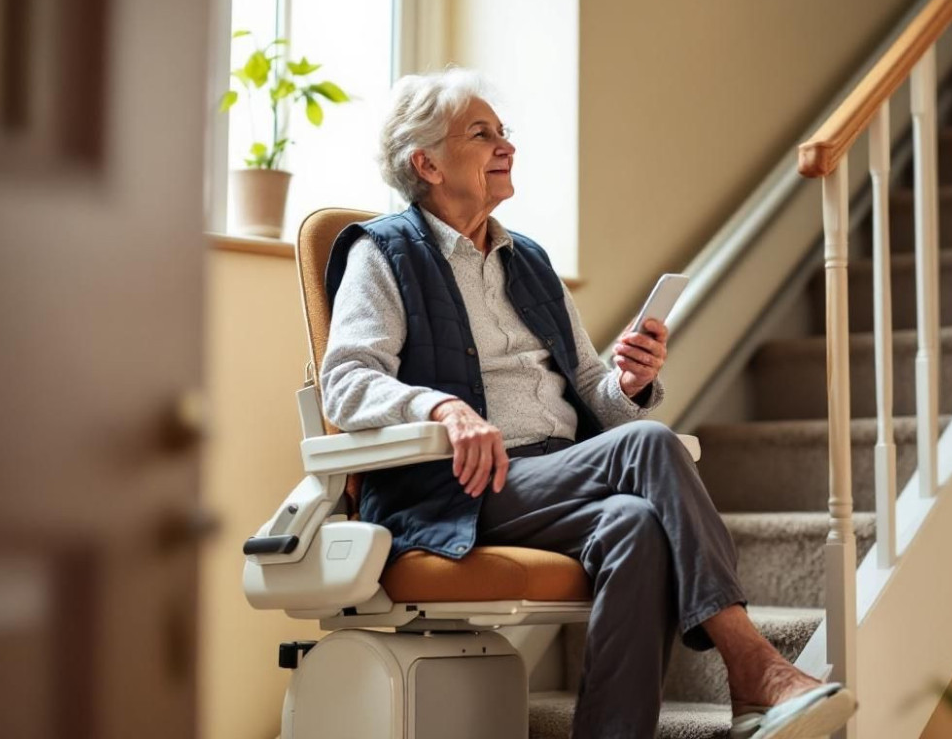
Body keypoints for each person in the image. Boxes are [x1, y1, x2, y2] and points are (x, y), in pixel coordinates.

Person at [319, 68, 856, 739]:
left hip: (557, 475)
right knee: (649, 445)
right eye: (482, 134)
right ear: (424, 162)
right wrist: (440, 409)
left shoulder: (530, 260)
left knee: (633, 522)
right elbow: (347, 379)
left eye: (503, 132)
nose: (504, 146)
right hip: (458, 486)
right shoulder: (385, 252)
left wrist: (629, 384)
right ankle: (752, 668)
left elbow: (597, 395)